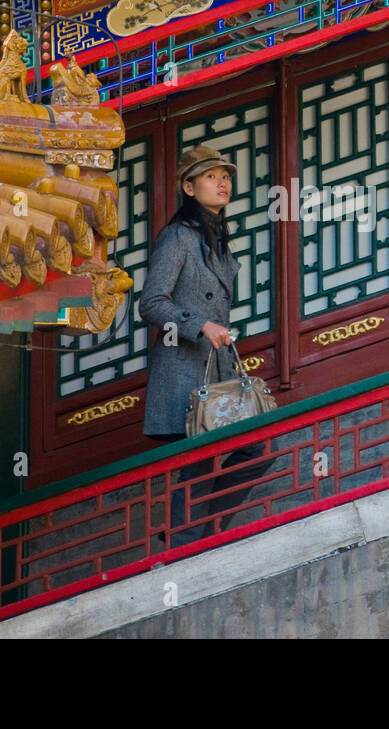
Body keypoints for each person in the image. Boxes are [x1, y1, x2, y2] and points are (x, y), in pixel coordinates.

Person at [137, 143, 270, 547]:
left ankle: (201, 533)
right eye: (211, 176)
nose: (222, 182)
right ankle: (186, 544)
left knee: (259, 449)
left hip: (218, 369)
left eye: (225, 175)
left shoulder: (216, 237)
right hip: (182, 368)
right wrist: (202, 325)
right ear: (189, 188)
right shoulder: (178, 236)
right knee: (196, 463)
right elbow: (151, 303)